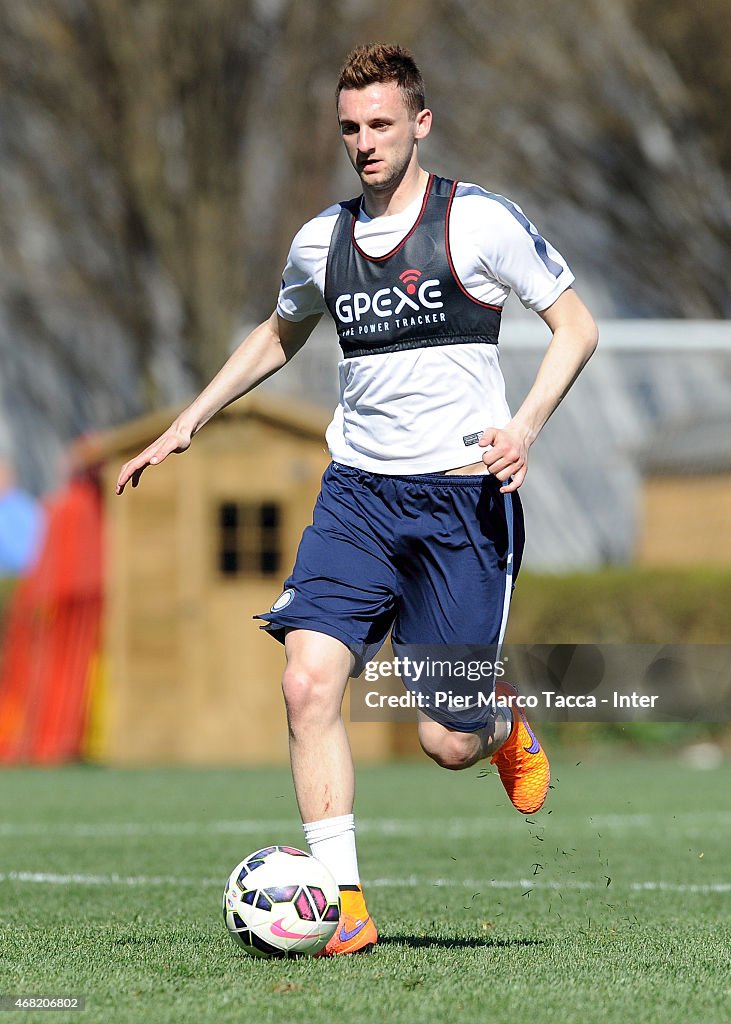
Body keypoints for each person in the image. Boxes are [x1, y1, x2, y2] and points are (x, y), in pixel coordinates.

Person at [116, 43, 598, 956]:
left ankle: (497, 725)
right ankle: (348, 911)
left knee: (443, 741)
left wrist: (525, 426)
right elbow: (280, 329)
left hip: (462, 506)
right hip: (357, 504)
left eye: (382, 123)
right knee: (306, 684)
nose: (365, 142)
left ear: (420, 123)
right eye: (350, 127)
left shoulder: (480, 223)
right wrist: (190, 421)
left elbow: (575, 326)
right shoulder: (320, 242)